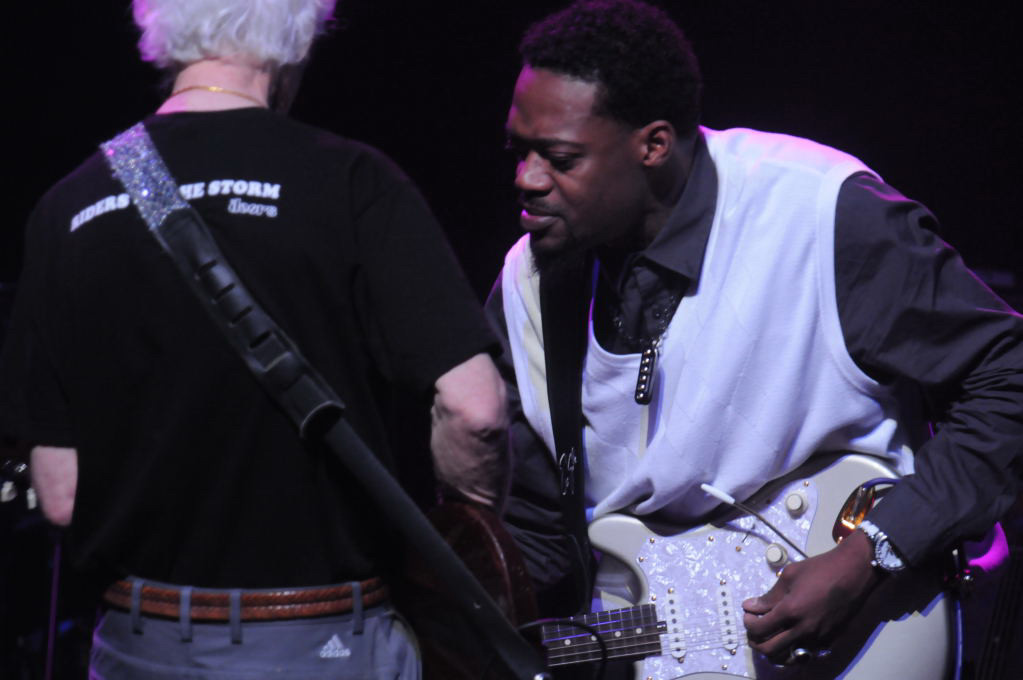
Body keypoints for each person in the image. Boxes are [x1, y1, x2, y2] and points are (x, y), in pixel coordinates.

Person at [488, 0, 1023, 669]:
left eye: (559, 157)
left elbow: (1008, 378)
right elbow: (539, 533)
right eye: (518, 151)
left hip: (858, 621)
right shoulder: (527, 288)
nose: (526, 179)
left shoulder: (819, 214)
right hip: (644, 636)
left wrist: (872, 552)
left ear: (653, 145)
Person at [0, 1, 509, 678]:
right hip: (323, 645)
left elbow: (60, 493)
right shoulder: (351, 181)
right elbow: (476, 411)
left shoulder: (65, 208)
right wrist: (468, 545)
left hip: (136, 644)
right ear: (297, 40)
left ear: (157, 31)